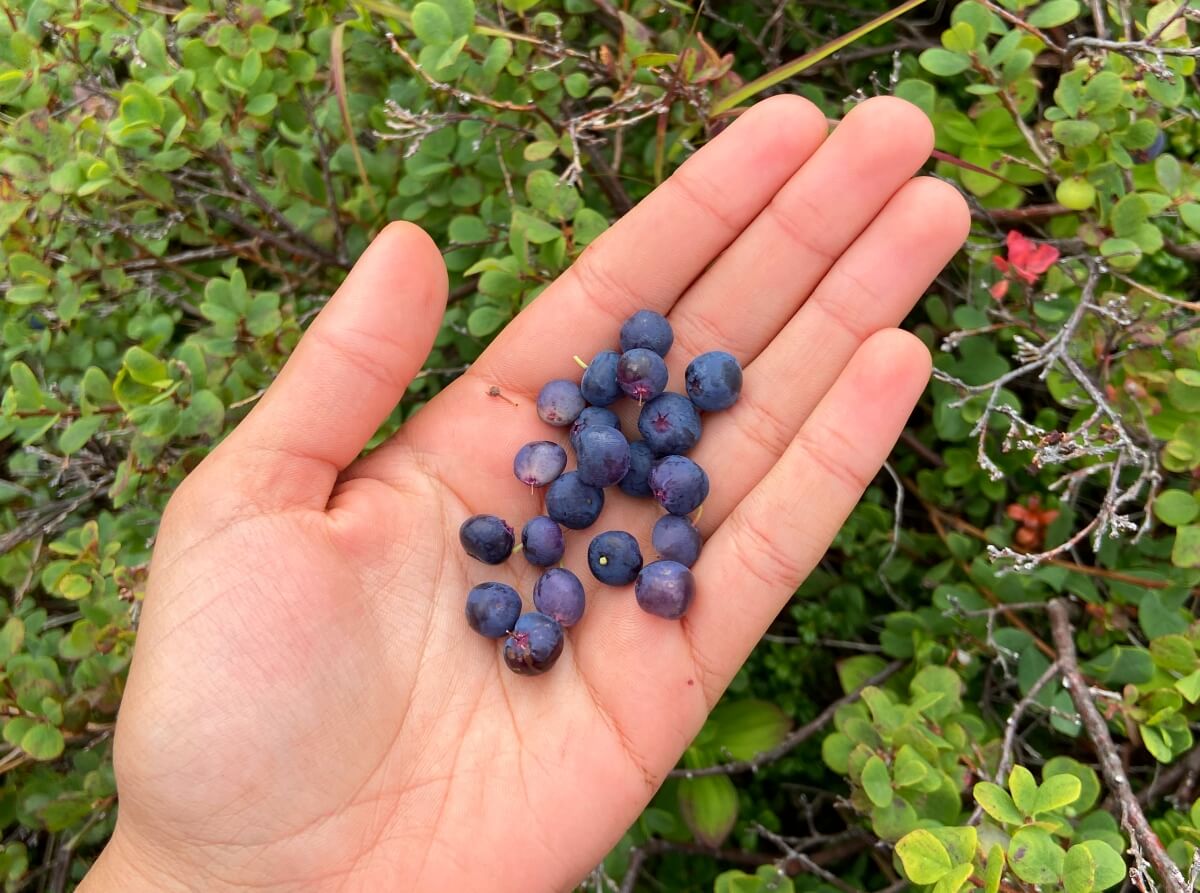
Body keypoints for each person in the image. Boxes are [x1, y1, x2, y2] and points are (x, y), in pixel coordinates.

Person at [78, 95, 968, 892]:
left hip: (603, 532)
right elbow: (592, 518)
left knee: (638, 538)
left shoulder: (630, 446)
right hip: (582, 548)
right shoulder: (576, 496)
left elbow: (631, 490)